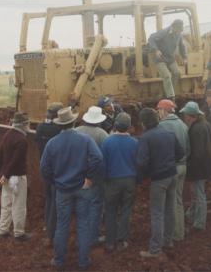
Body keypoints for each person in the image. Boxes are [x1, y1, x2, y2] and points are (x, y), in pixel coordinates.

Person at [40, 107, 104, 270]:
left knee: (62, 225)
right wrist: (89, 178)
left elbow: (44, 168)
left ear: (59, 125)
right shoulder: (84, 140)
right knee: (83, 224)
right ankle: (83, 261)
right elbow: (97, 158)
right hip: (82, 188)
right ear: (74, 122)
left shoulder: (52, 143)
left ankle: (59, 260)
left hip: (63, 190)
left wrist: (54, 181)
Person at [137, 108, 184, 258]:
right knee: (170, 209)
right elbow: (181, 153)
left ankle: (155, 249)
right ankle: (168, 241)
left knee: (157, 212)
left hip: (159, 179)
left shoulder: (145, 138)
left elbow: (142, 162)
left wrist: (141, 176)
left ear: (144, 123)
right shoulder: (169, 134)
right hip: (172, 175)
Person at [101, 112, 138, 252]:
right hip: (130, 181)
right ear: (129, 127)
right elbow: (139, 163)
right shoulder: (135, 143)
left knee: (110, 211)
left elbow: (102, 164)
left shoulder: (107, 142)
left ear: (115, 125)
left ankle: (110, 242)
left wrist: (104, 180)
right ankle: (122, 240)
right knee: (126, 210)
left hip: (112, 182)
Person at [0, 112, 32, 241]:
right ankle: (19, 233)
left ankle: (3, 230)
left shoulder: (7, 135)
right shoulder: (22, 140)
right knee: (19, 205)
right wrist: (5, 174)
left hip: (6, 177)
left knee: (6, 203)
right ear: (24, 124)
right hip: (17, 178)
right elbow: (15, 161)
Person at [157, 99, 190, 241]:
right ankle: (180, 232)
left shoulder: (162, 126)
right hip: (183, 166)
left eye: (159, 110)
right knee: (178, 200)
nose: (158, 113)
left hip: (171, 168)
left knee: (168, 203)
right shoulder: (183, 125)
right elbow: (188, 148)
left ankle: (171, 234)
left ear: (164, 110)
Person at [75, 106, 108, 245]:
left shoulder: (76, 132)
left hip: (77, 175)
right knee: (95, 205)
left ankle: (81, 236)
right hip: (95, 176)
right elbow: (105, 156)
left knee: (81, 206)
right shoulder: (102, 134)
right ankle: (93, 237)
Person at [180, 102, 211, 231]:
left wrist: (189, 164)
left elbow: (197, 152)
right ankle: (192, 214)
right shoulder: (206, 124)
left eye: (185, 114)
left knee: (199, 194)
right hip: (205, 165)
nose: (184, 117)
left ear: (189, 115)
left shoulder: (196, 129)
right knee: (197, 193)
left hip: (198, 167)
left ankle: (199, 223)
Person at [35, 102, 63, 246]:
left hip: (44, 168)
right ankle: (52, 231)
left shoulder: (40, 128)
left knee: (48, 199)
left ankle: (47, 225)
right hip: (57, 170)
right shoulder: (58, 130)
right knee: (55, 202)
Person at [148, 19, 187, 99]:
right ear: (173, 27)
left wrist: (184, 57)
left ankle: (167, 92)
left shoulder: (179, 34)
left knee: (177, 73)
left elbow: (182, 46)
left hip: (170, 58)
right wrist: (156, 50)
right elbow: (151, 38)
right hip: (160, 58)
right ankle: (170, 97)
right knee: (167, 76)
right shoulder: (163, 32)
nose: (178, 33)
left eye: (180, 31)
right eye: (178, 30)